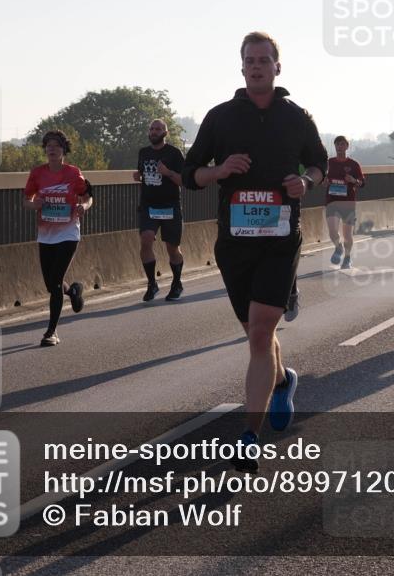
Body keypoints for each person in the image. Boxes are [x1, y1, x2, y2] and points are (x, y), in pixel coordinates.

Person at [181, 31, 327, 472]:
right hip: (234, 245)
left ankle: (248, 436)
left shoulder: (297, 117)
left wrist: (306, 182)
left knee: (261, 332)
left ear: (277, 67)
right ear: (242, 67)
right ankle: (284, 381)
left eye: (265, 59)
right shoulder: (220, 118)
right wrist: (220, 169)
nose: (257, 66)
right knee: (256, 335)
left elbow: (319, 164)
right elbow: (190, 175)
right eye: (250, 60)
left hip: (281, 241)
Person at [22, 130, 93, 346]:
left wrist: (83, 206)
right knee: (51, 283)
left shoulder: (73, 173)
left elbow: (88, 196)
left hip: (69, 233)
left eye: (56, 146)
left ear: (64, 151)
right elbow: (26, 199)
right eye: (49, 146)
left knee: (54, 284)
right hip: (46, 234)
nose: (52, 149)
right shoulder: (37, 173)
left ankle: (51, 332)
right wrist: (33, 204)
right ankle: (72, 290)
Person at [133, 119, 186, 302]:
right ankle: (152, 283)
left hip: (170, 206)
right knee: (146, 240)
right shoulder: (143, 152)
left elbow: (183, 181)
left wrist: (168, 173)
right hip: (149, 205)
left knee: (172, 248)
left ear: (165, 132)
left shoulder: (174, 153)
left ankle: (177, 283)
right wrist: (138, 175)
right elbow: (143, 174)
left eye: (158, 129)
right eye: (152, 129)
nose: (154, 131)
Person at [323, 136, 365, 269]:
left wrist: (353, 180)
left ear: (347, 146)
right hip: (332, 202)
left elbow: (362, 183)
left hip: (348, 203)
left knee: (347, 235)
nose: (339, 147)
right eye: (337, 145)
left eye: (342, 144)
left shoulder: (353, 164)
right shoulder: (329, 163)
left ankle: (347, 258)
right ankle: (338, 247)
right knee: (332, 230)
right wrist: (324, 182)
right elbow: (322, 180)